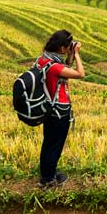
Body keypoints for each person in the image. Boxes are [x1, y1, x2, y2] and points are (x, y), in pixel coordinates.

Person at [36, 29, 85, 188]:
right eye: (68, 47)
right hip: (59, 110)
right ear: (62, 48)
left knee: (48, 143)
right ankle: (48, 180)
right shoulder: (55, 66)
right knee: (55, 145)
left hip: (48, 108)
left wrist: (69, 57)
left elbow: (64, 72)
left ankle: (48, 173)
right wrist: (76, 54)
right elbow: (80, 74)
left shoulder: (43, 60)